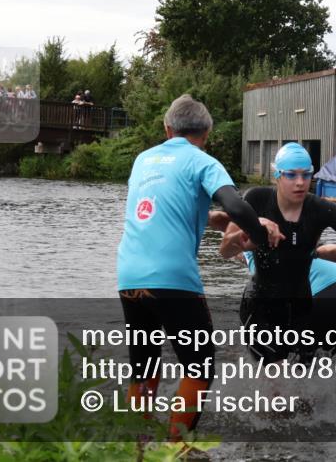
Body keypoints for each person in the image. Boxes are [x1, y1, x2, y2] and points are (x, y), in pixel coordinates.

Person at [116, 94, 284, 441]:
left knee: (144, 364)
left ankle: (136, 446)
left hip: (129, 277)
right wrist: (259, 235)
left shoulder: (143, 160)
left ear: (167, 129)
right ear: (206, 133)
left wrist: (217, 220)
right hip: (173, 280)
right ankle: (176, 447)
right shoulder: (202, 161)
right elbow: (237, 205)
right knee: (200, 365)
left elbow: (171, 209)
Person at [217, 142, 336, 364]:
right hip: (260, 308)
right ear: (277, 176)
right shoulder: (256, 199)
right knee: (272, 384)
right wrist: (251, 229)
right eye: (291, 175)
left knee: (301, 377)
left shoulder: (319, 209)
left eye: (306, 174)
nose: (300, 182)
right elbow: (225, 250)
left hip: (301, 308)